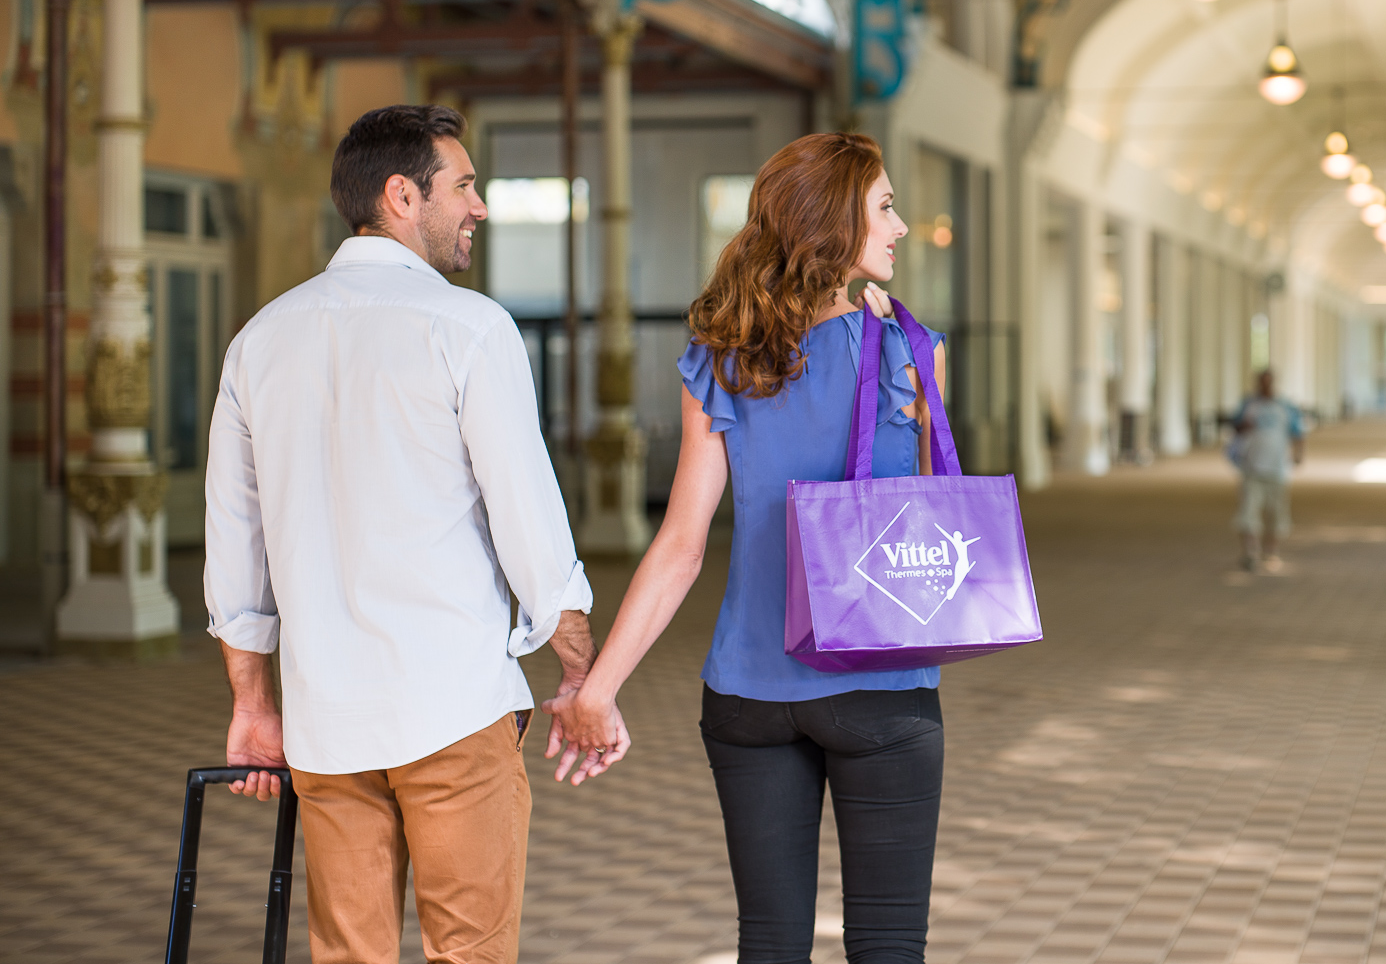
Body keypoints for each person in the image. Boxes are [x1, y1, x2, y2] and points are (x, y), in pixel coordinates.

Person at [204, 104, 617, 964]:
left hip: (327, 725)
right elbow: (531, 527)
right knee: (469, 953)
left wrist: (252, 705)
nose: (480, 207)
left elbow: (233, 549)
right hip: (453, 712)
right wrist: (582, 671)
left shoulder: (258, 343)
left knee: (350, 957)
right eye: (464, 186)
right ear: (402, 195)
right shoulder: (468, 329)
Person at [543, 133, 947, 964]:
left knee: (767, 942)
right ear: (835, 223)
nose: (901, 226)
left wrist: (599, 690)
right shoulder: (913, 350)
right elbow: (930, 515)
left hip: (747, 694)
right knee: (888, 944)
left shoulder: (724, 359)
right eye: (884, 206)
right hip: (879, 684)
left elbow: (681, 547)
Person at [1228, 369, 1305, 573]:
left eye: (1268, 383)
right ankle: (1250, 552)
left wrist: (1298, 454)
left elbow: (1298, 432)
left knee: (1276, 513)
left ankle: (1271, 552)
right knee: (1248, 512)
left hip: (1278, 469)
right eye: (1262, 383)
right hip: (1251, 467)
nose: (1265, 387)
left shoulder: (1285, 407)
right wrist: (1243, 426)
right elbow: (1235, 427)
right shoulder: (1248, 405)